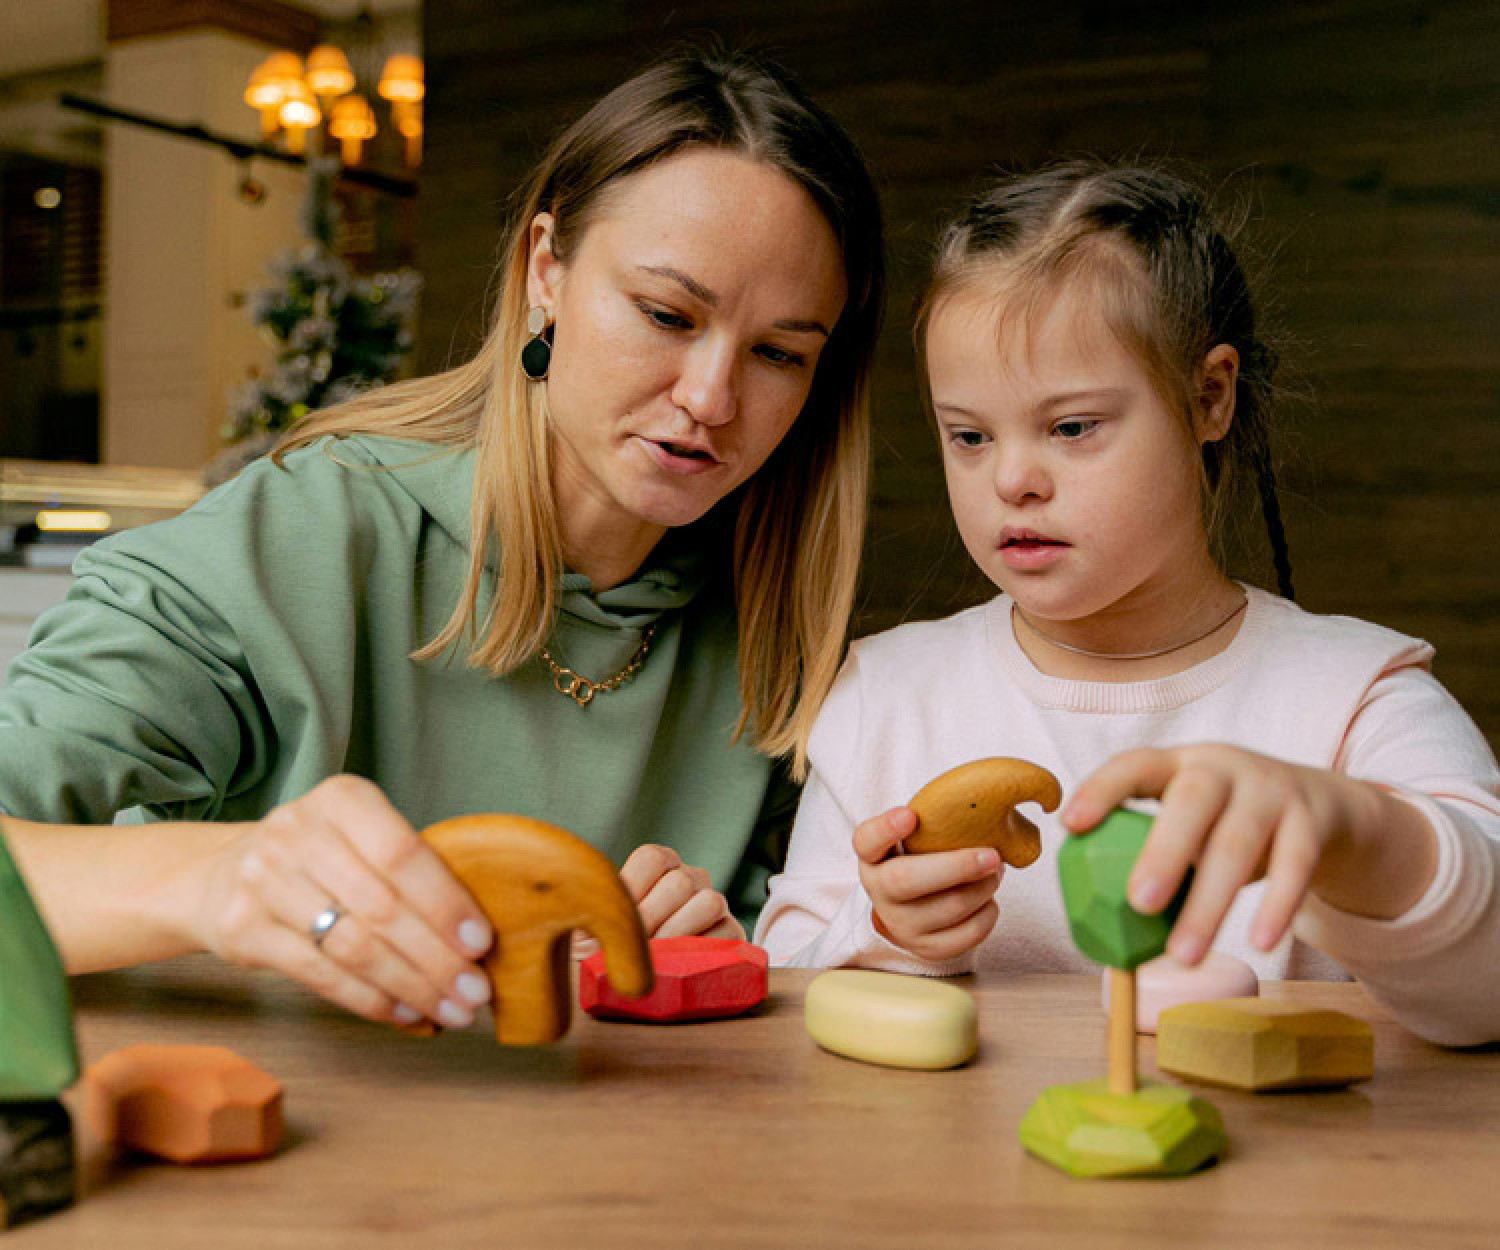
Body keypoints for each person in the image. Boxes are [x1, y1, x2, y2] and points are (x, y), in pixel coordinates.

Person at [0, 48, 884, 1035]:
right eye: (666, 313)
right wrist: (223, 877)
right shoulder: (299, 539)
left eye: (779, 353)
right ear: (545, 268)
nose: (713, 398)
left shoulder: (778, 638)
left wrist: (698, 950)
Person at [754, 161, 1500, 1046]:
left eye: (1072, 428)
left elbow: (1484, 992)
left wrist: (1359, 834)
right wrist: (886, 935)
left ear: (1207, 397)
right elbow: (788, 987)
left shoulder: (1355, 697)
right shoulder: (885, 695)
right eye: (969, 436)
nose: (1014, 481)